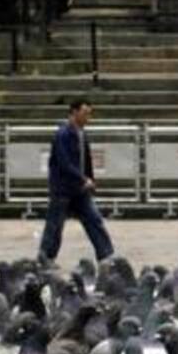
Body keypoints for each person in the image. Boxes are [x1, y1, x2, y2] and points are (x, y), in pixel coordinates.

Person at [38, 98, 115, 265]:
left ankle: (106, 255)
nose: (88, 117)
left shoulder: (82, 133)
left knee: (94, 220)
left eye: (89, 114)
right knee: (55, 225)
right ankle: (46, 257)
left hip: (80, 189)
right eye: (85, 113)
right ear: (74, 112)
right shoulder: (63, 134)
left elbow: (85, 160)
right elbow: (64, 162)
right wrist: (83, 178)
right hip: (63, 188)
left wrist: (90, 179)